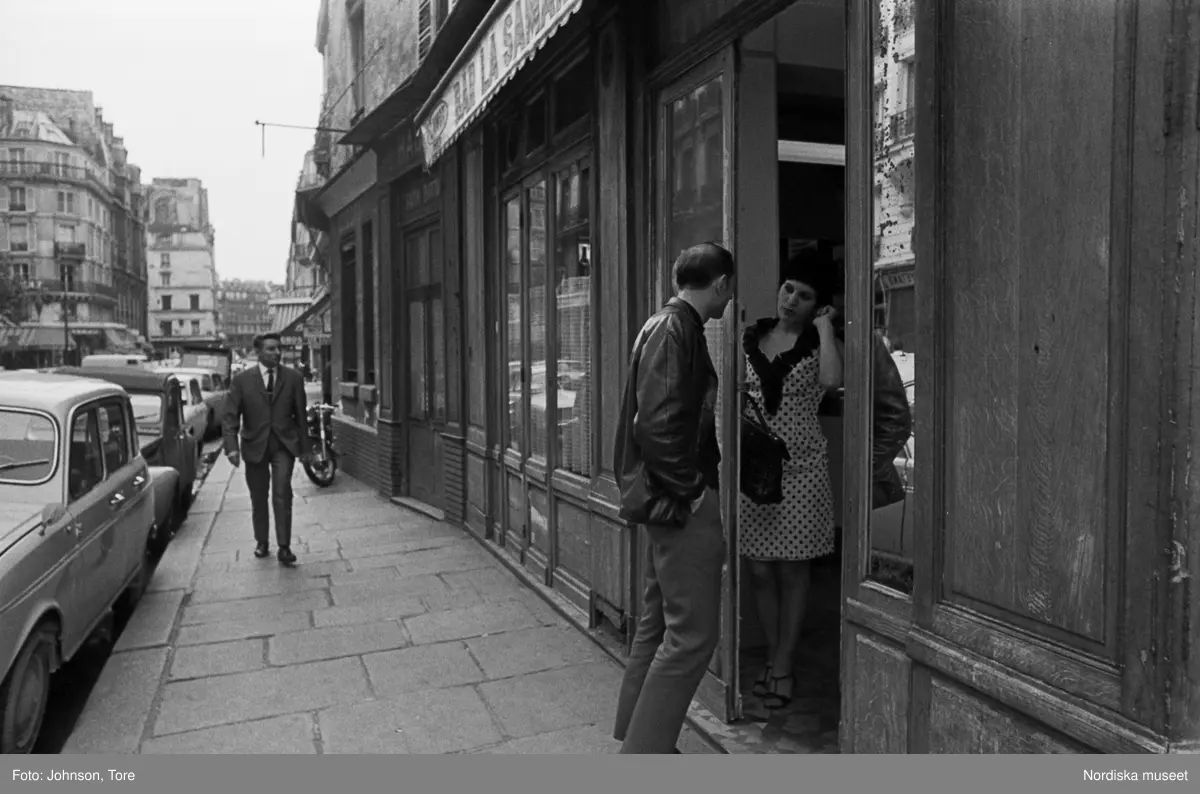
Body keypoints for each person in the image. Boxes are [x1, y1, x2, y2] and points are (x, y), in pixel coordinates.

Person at [611, 242, 736, 754]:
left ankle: (638, 737)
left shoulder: (665, 324)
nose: (730, 298)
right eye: (730, 288)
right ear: (722, 284)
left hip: (665, 502)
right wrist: (692, 493)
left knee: (658, 625)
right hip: (679, 504)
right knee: (691, 639)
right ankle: (644, 754)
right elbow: (659, 425)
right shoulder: (676, 327)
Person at [740, 249, 843, 711]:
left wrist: (824, 327)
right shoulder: (750, 337)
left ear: (816, 304)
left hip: (802, 469)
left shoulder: (820, 343)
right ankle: (773, 656)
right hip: (756, 468)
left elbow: (833, 380)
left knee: (794, 571)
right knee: (760, 569)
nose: (791, 299)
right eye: (788, 288)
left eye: (804, 296)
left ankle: (782, 663)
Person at [222, 333, 312, 565]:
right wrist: (231, 447)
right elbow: (231, 416)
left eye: (278, 348)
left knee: (282, 492)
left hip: (284, 444)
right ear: (258, 352)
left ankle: (284, 547)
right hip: (255, 445)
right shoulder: (242, 380)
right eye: (271, 349)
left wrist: (305, 449)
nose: (277, 352)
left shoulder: (293, 378)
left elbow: (301, 415)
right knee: (258, 496)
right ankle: (262, 541)